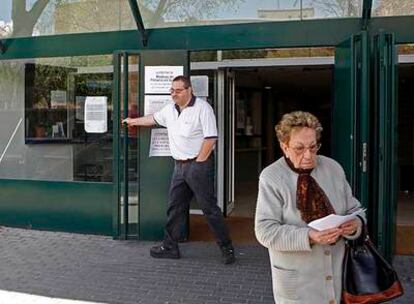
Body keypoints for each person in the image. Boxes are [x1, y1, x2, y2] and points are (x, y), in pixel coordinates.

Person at [254, 111, 365, 304]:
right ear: (284, 147)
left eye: (313, 147)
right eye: (299, 148)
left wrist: (355, 224)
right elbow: (265, 231)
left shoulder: (333, 168)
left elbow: (354, 209)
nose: (308, 155)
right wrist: (308, 236)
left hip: (337, 278)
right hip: (297, 282)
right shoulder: (271, 177)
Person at [123, 75, 235, 264]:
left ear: (189, 90)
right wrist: (133, 122)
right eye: (172, 90)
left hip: (198, 165)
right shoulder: (170, 109)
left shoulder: (203, 109)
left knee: (209, 209)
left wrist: (198, 164)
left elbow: (210, 139)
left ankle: (227, 248)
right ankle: (170, 247)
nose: (174, 94)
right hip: (179, 167)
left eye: (178, 90)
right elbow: (153, 119)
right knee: (175, 207)